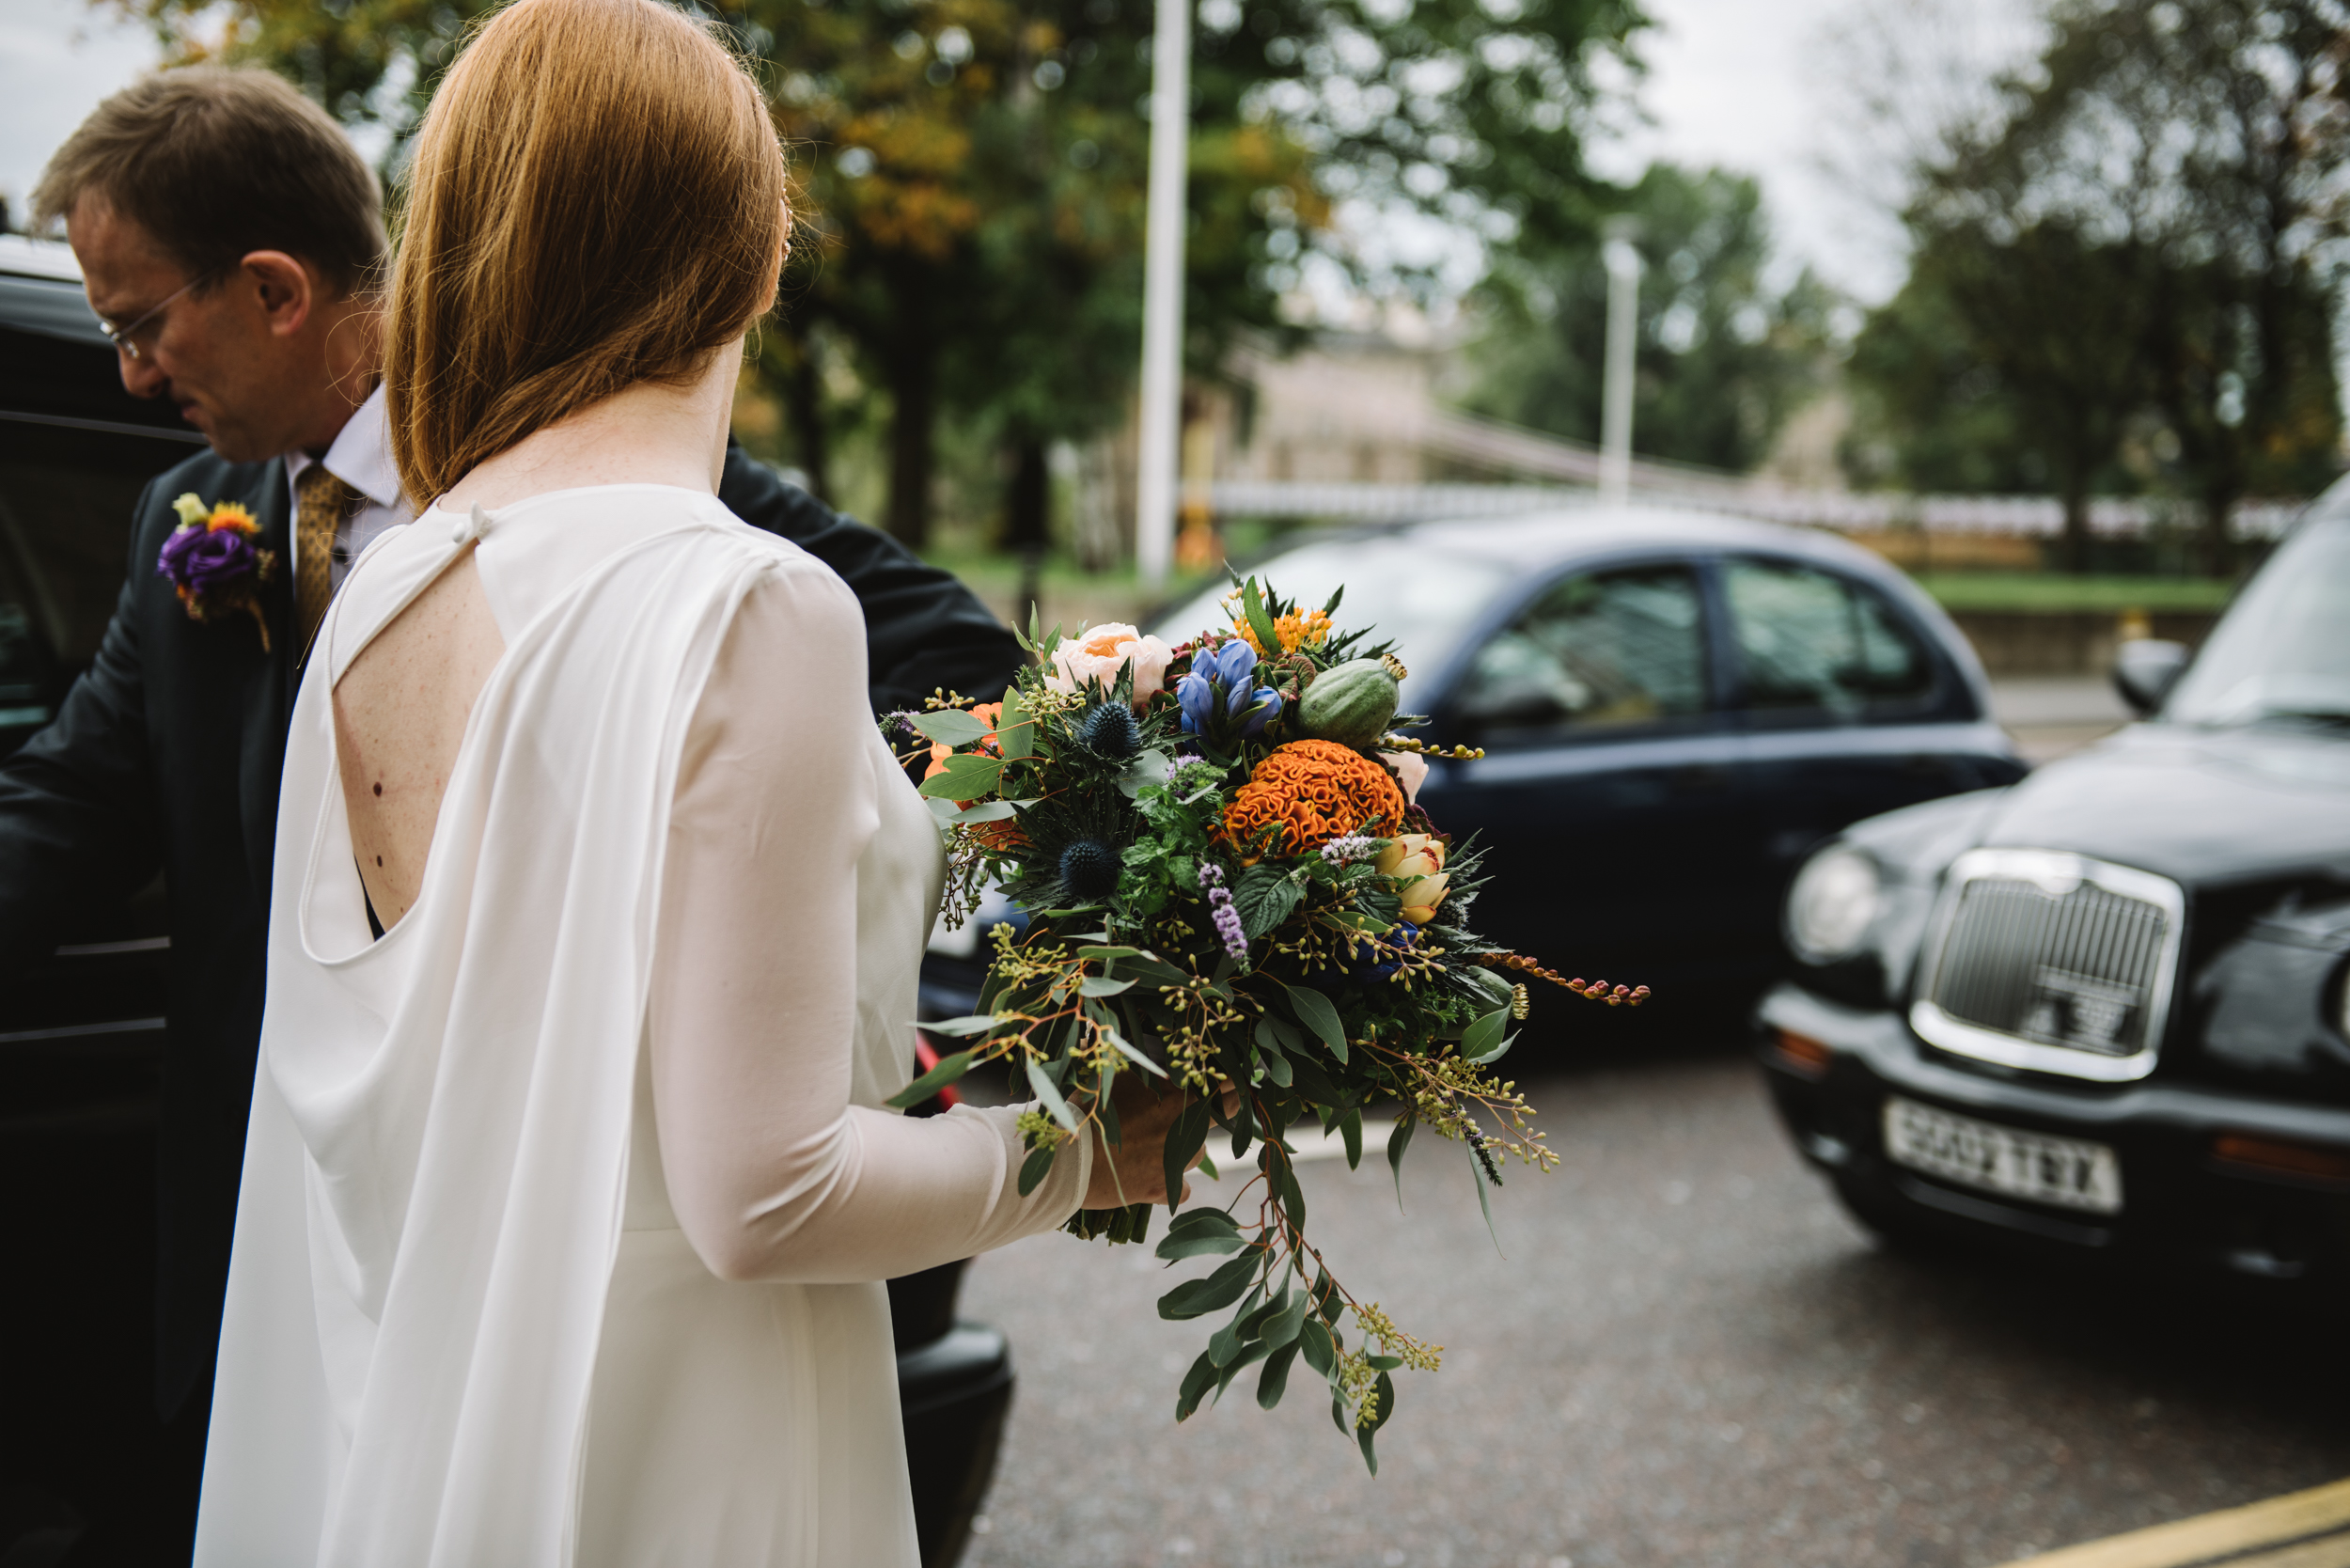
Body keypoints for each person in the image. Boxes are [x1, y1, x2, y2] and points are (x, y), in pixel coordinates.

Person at [195, 1, 1193, 1560]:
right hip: (688, 1457)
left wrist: (1023, 750)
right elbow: (767, 1195)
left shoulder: (385, 593)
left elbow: (566, 989)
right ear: (752, 256)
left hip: (431, 1427)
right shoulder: (752, 605)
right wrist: (1081, 1154)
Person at [14, 62, 1021, 1563]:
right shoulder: (205, 522)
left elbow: (955, 663)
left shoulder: (664, 547)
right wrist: (1087, 1152)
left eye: (140, 321)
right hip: (301, 1242)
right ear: (752, 254)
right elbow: (73, 803)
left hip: (604, 1251)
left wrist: (777, 842)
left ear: (282, 286)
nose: (134, 376)